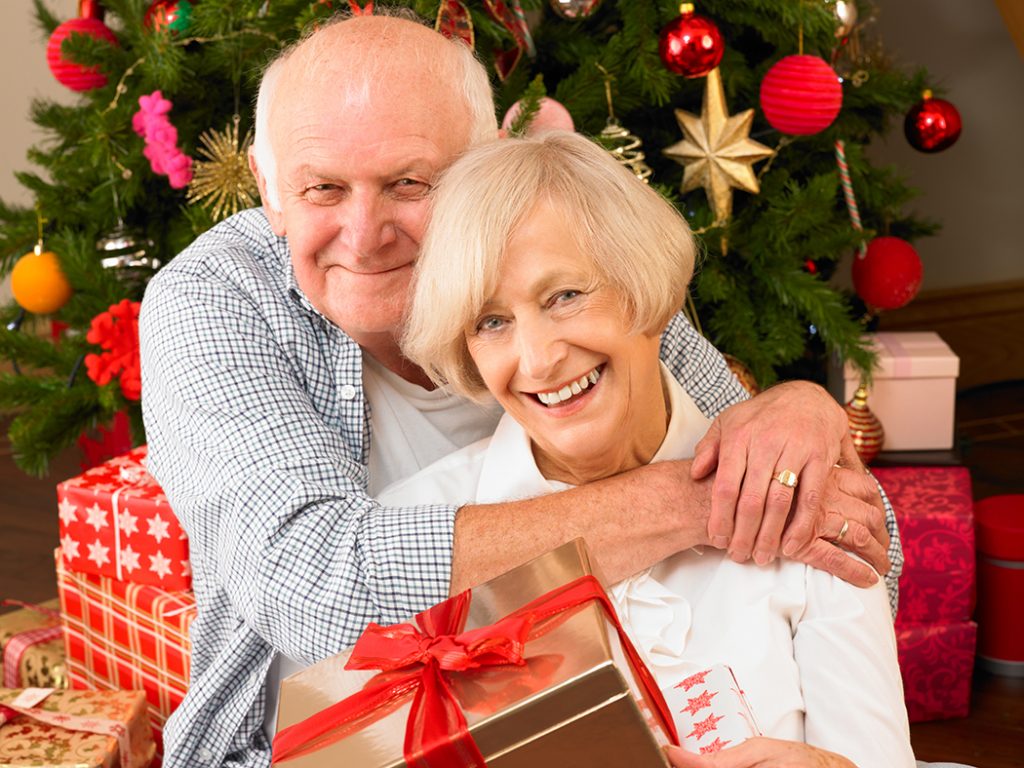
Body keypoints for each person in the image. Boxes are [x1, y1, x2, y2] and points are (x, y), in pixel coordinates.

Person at [138, 10, 900, 767]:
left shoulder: (559, 249)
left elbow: (852, 541)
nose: (364, 234)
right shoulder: (214, 300)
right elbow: (322, 596)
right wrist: (708, 499)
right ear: (270, 192)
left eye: (409, 183)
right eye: (322, 189)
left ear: (488, 164)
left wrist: (798, 412)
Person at [382, 130, 914, 768]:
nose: (540, 358)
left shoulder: (797, 491)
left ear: (648, 295)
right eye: (491, 321)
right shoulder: (412, 533)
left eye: (566, 296)